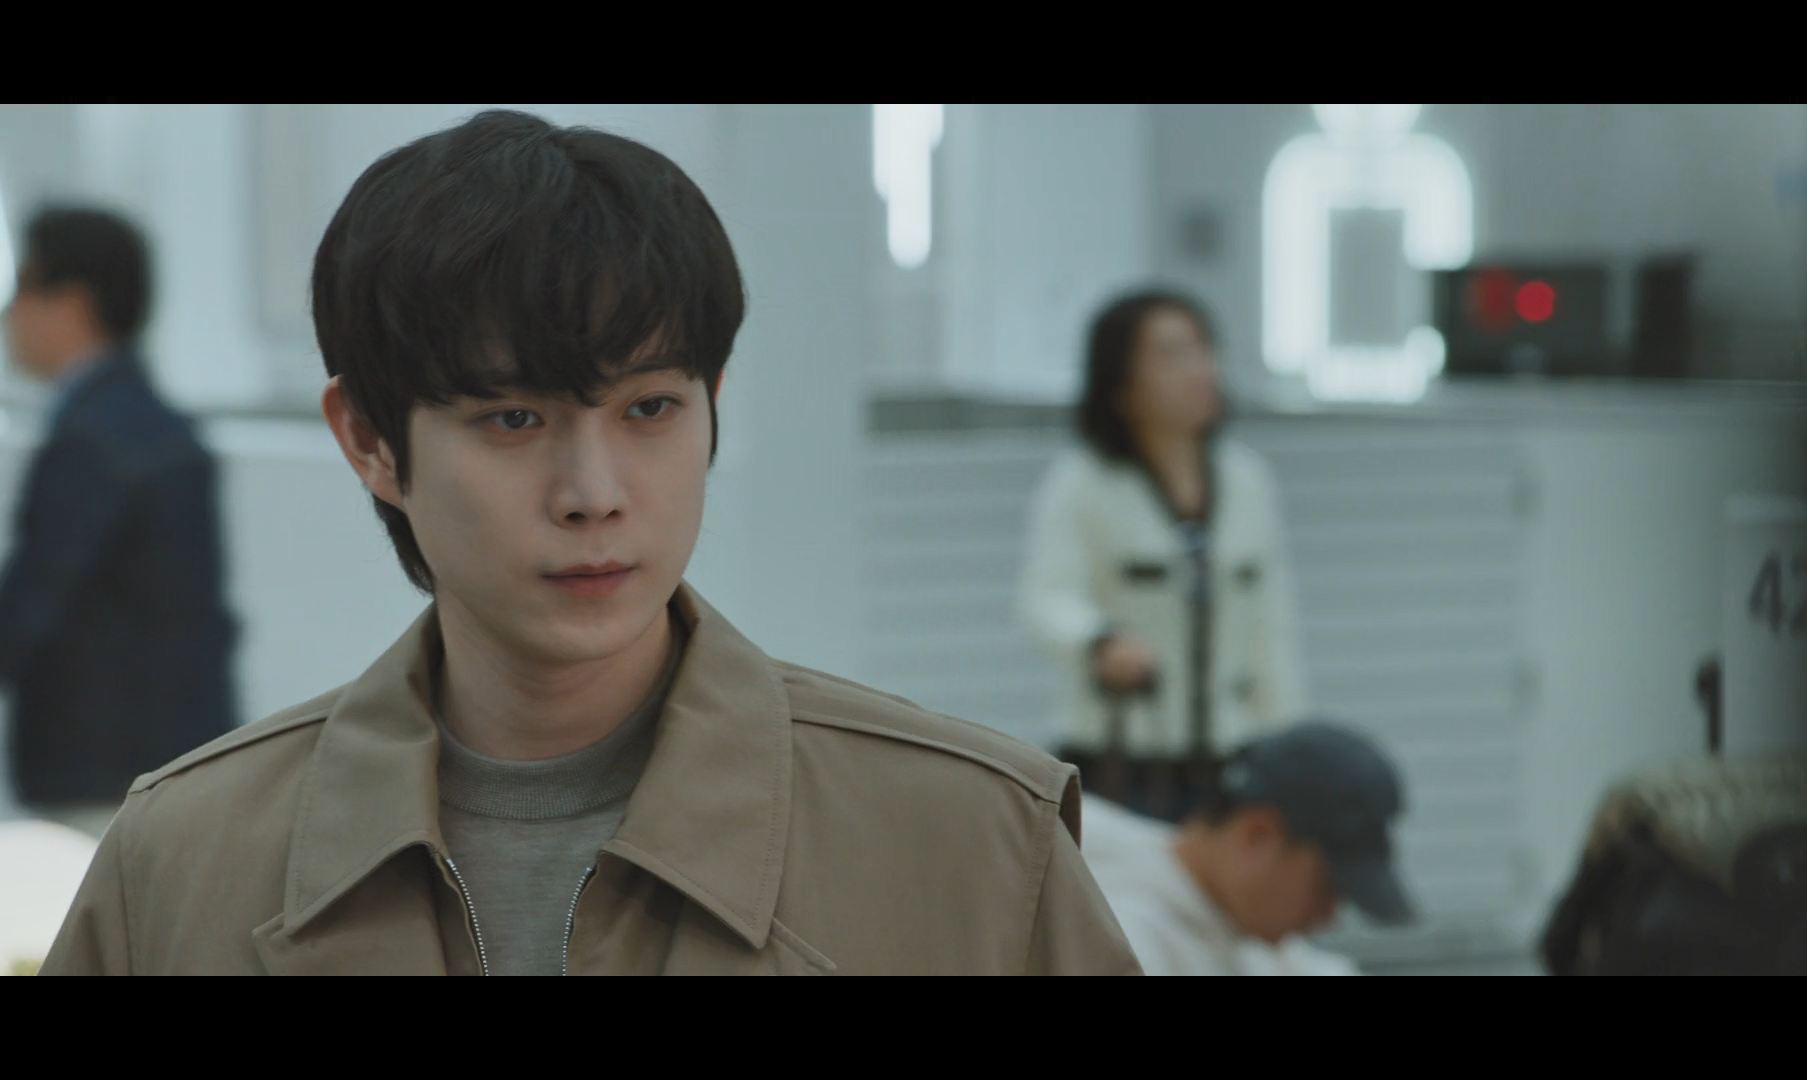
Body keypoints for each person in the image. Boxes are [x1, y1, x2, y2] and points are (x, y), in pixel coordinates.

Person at [42, 111, 1138, 976]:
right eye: (514, 419)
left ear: (713, 404)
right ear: (370, 439)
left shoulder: (973, 844)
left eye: (650, 409)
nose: (594, 495)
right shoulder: (179, 866)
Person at [1019, 290, 1309, 820]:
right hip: (1119, 757)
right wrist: (1100, 641)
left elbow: (1272, 626)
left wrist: (1288, 746)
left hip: (1230, 755)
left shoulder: (1247, 481)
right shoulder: (1082, 483)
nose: (1199, 370)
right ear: (1121, 383)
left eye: (1203, 349)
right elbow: (1047, 598)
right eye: (1171, 355)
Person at [0, 207, 236, 838]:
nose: (10, 315)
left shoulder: (91, 441)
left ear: (73, 302)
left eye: (22, 289)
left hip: (99, 777)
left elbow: (34, 603)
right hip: (174, 763)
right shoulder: (158, 425)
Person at [1080, 723, 1413, 975]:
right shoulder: (1119, 936)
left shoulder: (1224, 916)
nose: (1329, 917)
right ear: (1258, 834)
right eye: (1327, 888)